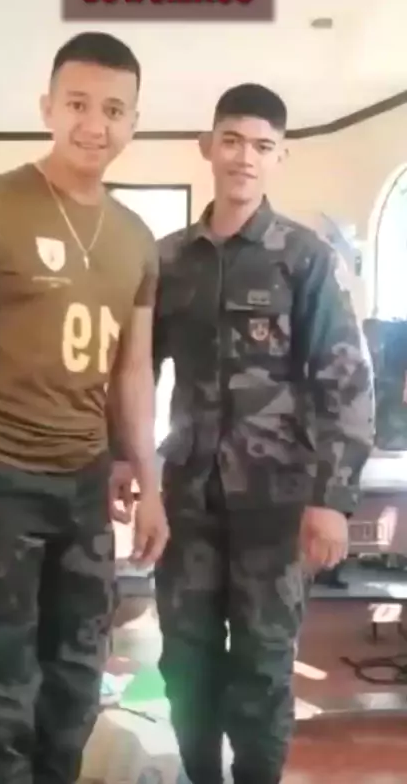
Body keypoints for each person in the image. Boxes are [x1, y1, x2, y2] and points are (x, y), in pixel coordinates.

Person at [0, 31, 168, 784]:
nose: (95, 124)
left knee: (72, 692)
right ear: (47, 108)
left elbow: (132, 372)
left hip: (83, 488)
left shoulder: (136, 238)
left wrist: (150, 481)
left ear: (133, 121)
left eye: (114, 109)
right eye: (77, 104)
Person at [151, 84, 375, 784]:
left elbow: (344, 378)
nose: (245, 158)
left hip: (276, 505)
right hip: (188, 498)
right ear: (208, 147)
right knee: (185, 659)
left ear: (280, 156)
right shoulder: (168, 259)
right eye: (232, 141)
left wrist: (333, 499)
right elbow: (133, 369)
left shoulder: (304, 258)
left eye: (262, 145)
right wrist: (127, 464)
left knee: (263, 664)